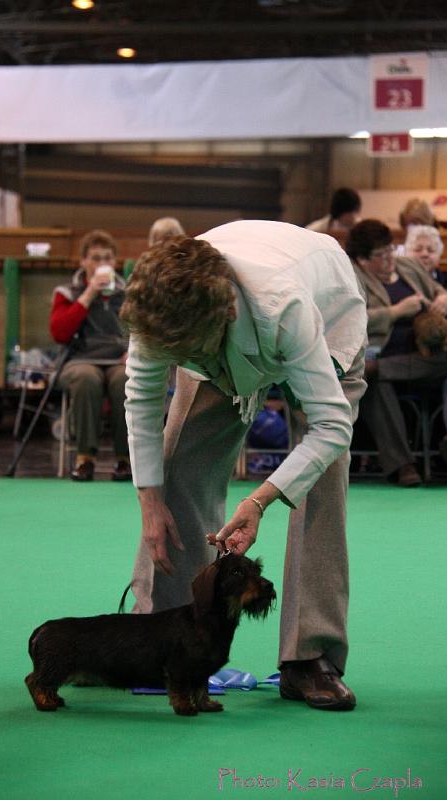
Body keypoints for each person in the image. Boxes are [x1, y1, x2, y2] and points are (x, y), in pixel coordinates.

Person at [121, 220, 368, 712]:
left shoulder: (287, 308)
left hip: (326, 309)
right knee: (177, 463)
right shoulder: (155, 309)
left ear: (223, 317)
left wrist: (259, 500)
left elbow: (330, 426)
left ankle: (309, 658)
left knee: (322, 477)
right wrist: (150, 502)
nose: (176, 360)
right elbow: (142, 402)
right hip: (224, 318)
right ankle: (162, 639)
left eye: (188, 353)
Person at [346, 220, 447, 484]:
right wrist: (395, 312)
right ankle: (404, 466)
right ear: (362, 259)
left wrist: (442, 298)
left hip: (428, 355)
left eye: (391, 250)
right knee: (375, 383)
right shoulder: (352, 278)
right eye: (380, 255)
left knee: (377, 374)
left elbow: (437, 289)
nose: (389, 259)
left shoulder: (409, 266)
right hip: (381, 353)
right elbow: (349, 318)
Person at [50, 229, 132, 482]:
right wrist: (88, 295)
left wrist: (133, 351)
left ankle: (125, 459)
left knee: (126, 380)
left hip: (119, 360)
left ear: (115, 262)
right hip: (79, 360)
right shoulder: (67, 292)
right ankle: (84, 458)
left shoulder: (128, 292)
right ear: (83, 261)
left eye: (107, 258)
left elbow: (142, 328)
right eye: (95, 258)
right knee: (87, 379)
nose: (102, 264)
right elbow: (59, 333)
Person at [404, 224, 447, 289]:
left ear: (439, 254)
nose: (425, 254)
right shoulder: (398, 282)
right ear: (407, 252)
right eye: (418, 249)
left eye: (431, 250)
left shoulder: (446, 281)